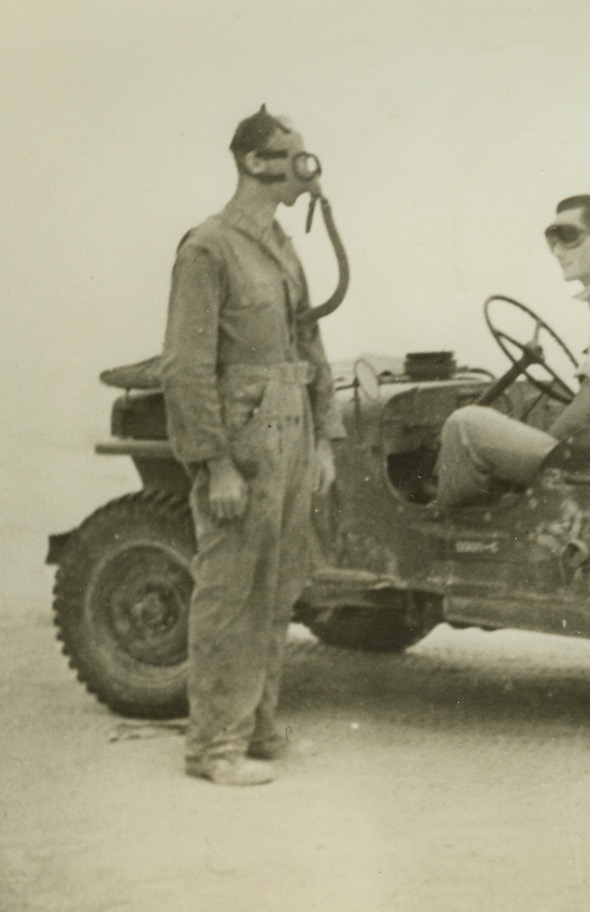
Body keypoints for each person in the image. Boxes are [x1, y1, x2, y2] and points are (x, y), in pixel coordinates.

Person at [161, 106, 345, 786]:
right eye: (293, 155)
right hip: (242, 440)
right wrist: (215, 466)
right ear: (256, 164)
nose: (306, 166)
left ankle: (258, 728)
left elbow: (308, 340)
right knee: (231, 592)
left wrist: (324, 436)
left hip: (289, 426)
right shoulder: (209, 248)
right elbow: (184, 366)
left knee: (277, 587)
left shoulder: (278, 242)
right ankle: (213, 748)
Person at [435, 195, 590, 508]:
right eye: (552, 240)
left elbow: (587, 406)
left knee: (464, 423)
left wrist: (542, 461)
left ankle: (457, 524)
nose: (558, 252)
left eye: (569, 238)